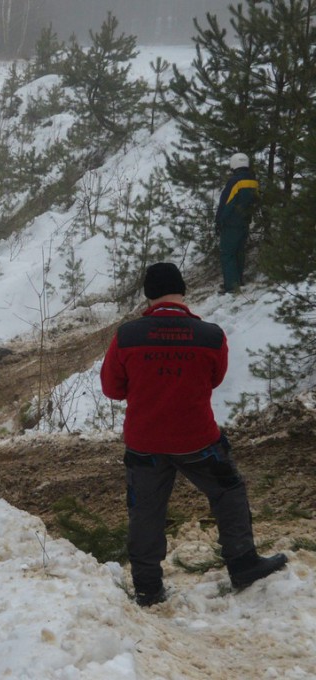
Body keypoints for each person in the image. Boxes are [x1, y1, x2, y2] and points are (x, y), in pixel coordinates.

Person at [100, 262, 287, 607]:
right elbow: (214, 379)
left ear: (149, 295)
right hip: (197, 439)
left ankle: (147, 587)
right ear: (182, 292)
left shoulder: (127, 336)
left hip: (145, 442)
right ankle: (243, 563)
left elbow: (112, 389)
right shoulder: (210, 336)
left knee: (145, 511)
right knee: (228, 491)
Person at [215, 152, 258, 294]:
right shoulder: (253, 181)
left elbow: (226, 203)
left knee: (228, 254)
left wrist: (219, 221)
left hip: (231, 223)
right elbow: (255, 202)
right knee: (239, 252)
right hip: (244, 222)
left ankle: (232, 286)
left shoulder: (234, 182)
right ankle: (239, 281)